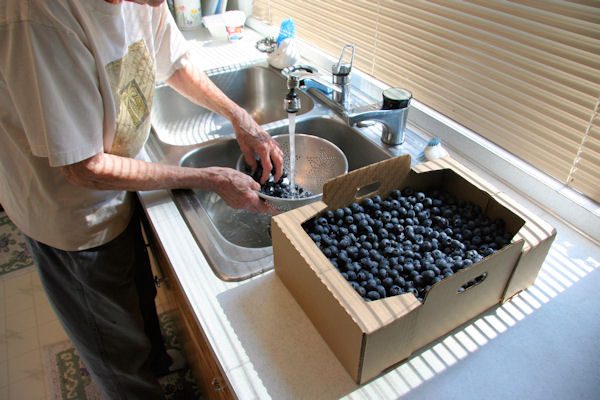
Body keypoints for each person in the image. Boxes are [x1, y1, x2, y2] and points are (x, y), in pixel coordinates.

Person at [0, 0, 283, 398]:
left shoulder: (142, 1)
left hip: (119, 191)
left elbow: (176, 65)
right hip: (70, 217)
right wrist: (210, 178)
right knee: (113, 349)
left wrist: (239, 116)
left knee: (137, 295)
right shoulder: (40, 18)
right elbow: (84, 168)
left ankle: (156, 367)